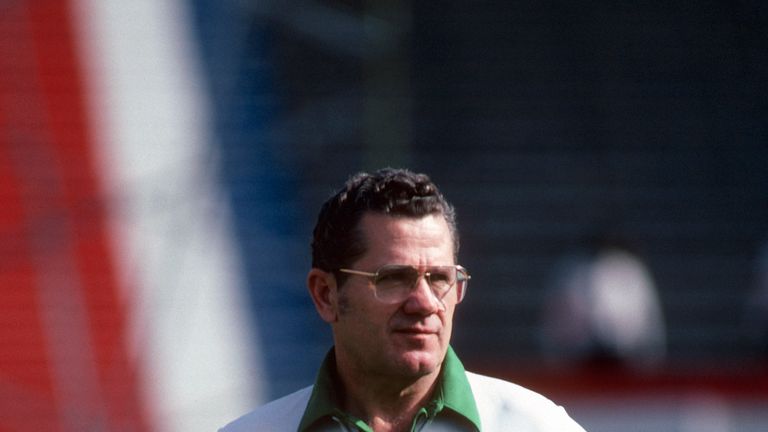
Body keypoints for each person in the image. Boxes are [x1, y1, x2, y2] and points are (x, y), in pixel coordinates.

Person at [220, 168, 586, 431]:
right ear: (325, 294)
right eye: (394, 278)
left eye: (441, 278)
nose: (425, 303)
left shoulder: (538, 426)